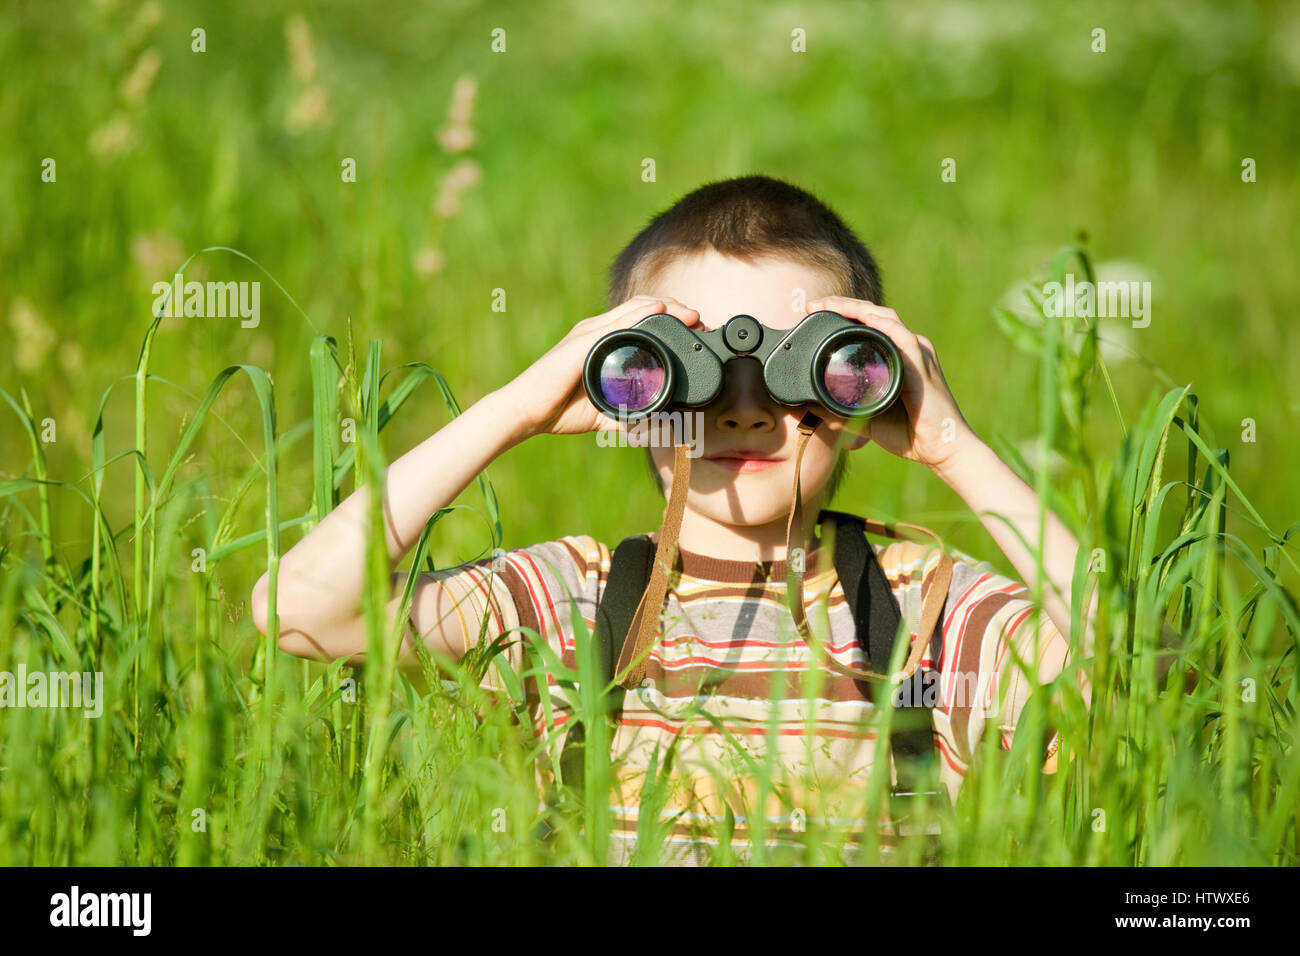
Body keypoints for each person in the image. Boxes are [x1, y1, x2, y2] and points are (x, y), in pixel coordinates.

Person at [252, 175, 1095, 865]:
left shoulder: (931, 613)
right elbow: (302, 611)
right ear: (627, 386)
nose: (741, 411)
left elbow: (1140, 669)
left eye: (794, 367)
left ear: (863, 383)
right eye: (690, 372)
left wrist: (952, 444)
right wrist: (517, 407)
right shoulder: (572, 601)